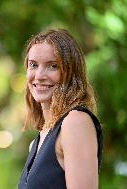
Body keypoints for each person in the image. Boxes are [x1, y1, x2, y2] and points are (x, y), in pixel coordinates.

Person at [18, 29, 103, 189]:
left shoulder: (75, 122)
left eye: (53, 66)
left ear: (71, 72)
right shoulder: (35, 143)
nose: (39, 75)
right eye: (33, 65)